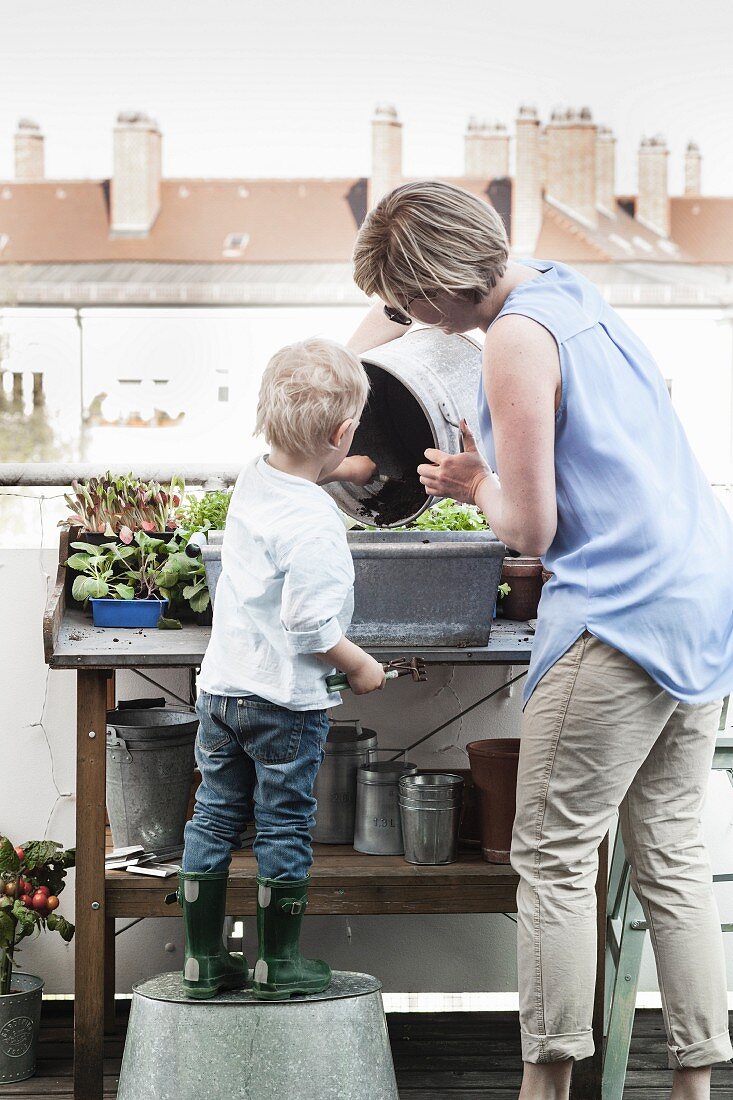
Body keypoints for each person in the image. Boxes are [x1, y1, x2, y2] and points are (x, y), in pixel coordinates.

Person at [348, 179, 733, 1100]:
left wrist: (469, 479)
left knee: (554, 857)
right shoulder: (563, 288)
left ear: (439, 290)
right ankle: (694, 1086)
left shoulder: (513, 340)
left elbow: (526, 528)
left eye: (409, 302)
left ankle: (544, 1089)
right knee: (670, 857)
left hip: (617, 617)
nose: (407, 320)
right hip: (696, 598)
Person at [178, 337, 385, 1001]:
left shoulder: (256, 474)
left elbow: (303, 467)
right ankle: (278, 964)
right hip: (283, 704)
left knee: (211, 819)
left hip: (221, 692)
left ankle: (203, 963)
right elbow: (309, 627)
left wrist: (347, 466)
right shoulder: (317, 526)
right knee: (283, 826)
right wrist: (358, 665)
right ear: (340, 429)